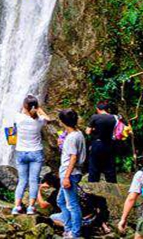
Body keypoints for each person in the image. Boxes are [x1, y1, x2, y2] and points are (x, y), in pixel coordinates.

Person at [39, 172, 112, 235]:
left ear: (48, 184)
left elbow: (43, 205)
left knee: (52, 217)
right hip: (93, 215)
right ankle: (101, 225)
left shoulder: (57, 193)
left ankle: (74, 227)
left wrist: (38, 190)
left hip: (82, 220)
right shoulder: (73, 184)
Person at [12, 95, 50, 215]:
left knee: (22, 180)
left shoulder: (18, 118)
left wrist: (27, 108)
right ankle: (30, 207)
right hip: (36, 153)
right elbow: (48, 119)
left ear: (24, 106)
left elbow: (14, 125)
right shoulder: (39, 120)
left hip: (21, 152)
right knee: (33, 180)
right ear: (36, 107)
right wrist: (38, 109)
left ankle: (16, 207)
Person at [57, 109, 86, 239]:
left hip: (70, 173)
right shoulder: (78, 133)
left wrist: (67, 177)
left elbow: (73, 157)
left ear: (63, 122)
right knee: (61, 201)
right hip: (72, 172)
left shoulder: (72, 137)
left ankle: (75, 233)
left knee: (72, 204)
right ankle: (68, 228)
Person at [85, 102, 118, 183]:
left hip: (97, 144)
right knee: (110, 167)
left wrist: (93, 130)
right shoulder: (114, 117)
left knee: (94, 167)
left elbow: (87, 132)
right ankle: (113, 188)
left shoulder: (95, 117)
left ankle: (93, 188)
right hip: (109, 144)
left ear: (97, 109)